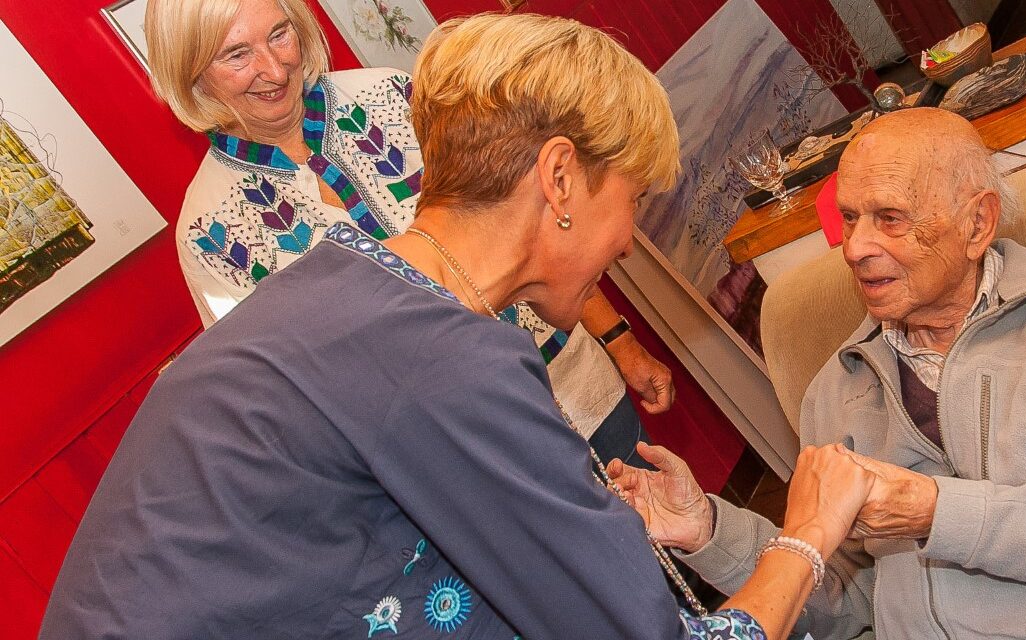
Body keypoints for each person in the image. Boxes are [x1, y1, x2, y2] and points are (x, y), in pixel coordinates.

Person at [39, 13, 880, 639]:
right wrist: (809, 532)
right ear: (558, 179)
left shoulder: (361, 291)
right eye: (630, 199)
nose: (627, 241)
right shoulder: (443, 360)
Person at [611, 108, 1026, 639]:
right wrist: (710, 531)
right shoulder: (835, 394)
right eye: (850, 218)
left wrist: (936, 510)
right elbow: (847, 599)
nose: (854, 248)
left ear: (977, 224)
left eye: (891, 218)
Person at [150, 0, 671, 468]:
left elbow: (544, 216)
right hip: (478, 458)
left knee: (667, 532)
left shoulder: (391, 94)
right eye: (237, 54)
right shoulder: (208, 231)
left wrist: (619, 340)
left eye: (279, 33)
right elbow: (295, 396)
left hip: (584, 392)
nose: (273, 67)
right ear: (192, 73)